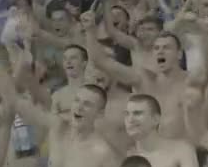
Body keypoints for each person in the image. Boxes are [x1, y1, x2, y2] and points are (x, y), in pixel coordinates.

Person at [82, 11, 196, 139]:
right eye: (156, 48)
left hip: (183, 150)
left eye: (166, 47)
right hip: (149, 152)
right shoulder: (143, 79)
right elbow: (101, 61)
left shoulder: (193, 81)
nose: (160, 52)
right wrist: (90, 30)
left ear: (179, 54)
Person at [51, 45, 88, 121]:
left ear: (84, 63)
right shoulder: (57, 96)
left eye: (73, 58)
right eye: (65, 59)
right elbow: (53, 125)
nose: (68, 62)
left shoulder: (95, 91)